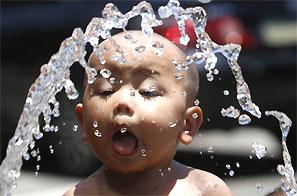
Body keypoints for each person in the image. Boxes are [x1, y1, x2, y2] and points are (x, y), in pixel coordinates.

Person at [64, 30, 232, 195]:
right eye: (106, 91)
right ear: (83, 122)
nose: (122, 101)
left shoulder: (204, 191)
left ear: (187, 124)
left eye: (147, 91)